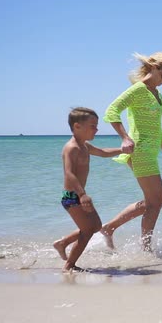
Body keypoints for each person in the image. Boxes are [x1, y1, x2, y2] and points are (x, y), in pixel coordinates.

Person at [100, 52, 162, 252]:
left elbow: (157, 128)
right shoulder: (137, 90)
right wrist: (125, 138)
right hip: (140, 150)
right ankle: (145, 249)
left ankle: (109, 228)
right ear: (155, 68)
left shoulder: (157, 94)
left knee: (152, 202)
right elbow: (111, 111)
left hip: (151, 150)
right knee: (157, 201)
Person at [53, 107, 123, 272]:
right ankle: (69, 265)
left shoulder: (84, 145)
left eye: (96, 125)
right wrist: (82, 194)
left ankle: (62, 243)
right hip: (73, 196)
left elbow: (103, 152)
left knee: (96, 225)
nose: (96, 129)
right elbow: (69, 173)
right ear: (77, 126)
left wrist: (123, 150)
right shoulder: (72, 148)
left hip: (79, 195)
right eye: (93, 126)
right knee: (87, 231)